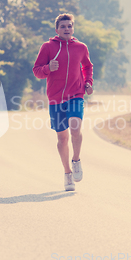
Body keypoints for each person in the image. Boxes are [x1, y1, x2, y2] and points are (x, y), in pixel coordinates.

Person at [32, 13, 94, 191]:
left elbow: (87, 66)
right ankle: (67, 174)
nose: (67, 29)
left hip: (76, 95)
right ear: (57, 29)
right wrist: (47, 68)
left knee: (76, 127)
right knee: (62, 137)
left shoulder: (81, 47)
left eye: (70, 26)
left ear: (73, 28)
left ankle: (76, 160)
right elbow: (36, 71)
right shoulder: (48, 47)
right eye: (63, 26)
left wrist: (88, 83)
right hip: (55, 98)